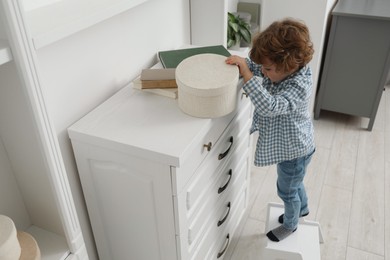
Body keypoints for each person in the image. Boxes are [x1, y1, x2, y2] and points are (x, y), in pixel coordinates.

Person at [225, 18, 316, 242]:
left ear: (290, 66)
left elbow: (270, 106)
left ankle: (291, 224)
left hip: (295, 151)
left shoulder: (298, 86)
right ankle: (302, 208)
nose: (263, 72)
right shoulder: (280, 70)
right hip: (294, 147)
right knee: (296, 182)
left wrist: (246, 74)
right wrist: (244, 63)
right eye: (263, 67)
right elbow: (257, 66)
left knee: (286, 190)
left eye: (268, 68)